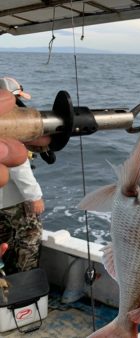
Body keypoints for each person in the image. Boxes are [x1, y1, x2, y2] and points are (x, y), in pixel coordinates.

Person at [0, 78, 45, 274]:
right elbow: (20, 166)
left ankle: (7, 278)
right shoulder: (11, 123)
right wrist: (34, 196)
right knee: (30, 237)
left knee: (5, 242)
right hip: (13, 202)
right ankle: (25, 282)